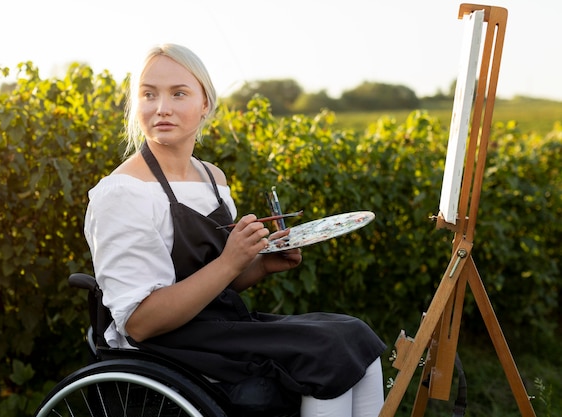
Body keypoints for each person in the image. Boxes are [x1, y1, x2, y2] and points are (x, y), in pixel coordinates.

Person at [84, 43, 386, 417]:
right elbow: (141, 323)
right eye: (149, 94)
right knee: (327, 354)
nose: (162, 107)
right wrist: (230, 262)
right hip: (169, 344)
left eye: (178, 93)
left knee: (355, 338)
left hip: (217, 325)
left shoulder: (212, 178)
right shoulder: (123, 193)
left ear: (205, 104)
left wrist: (258, 264)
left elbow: (216, 283)